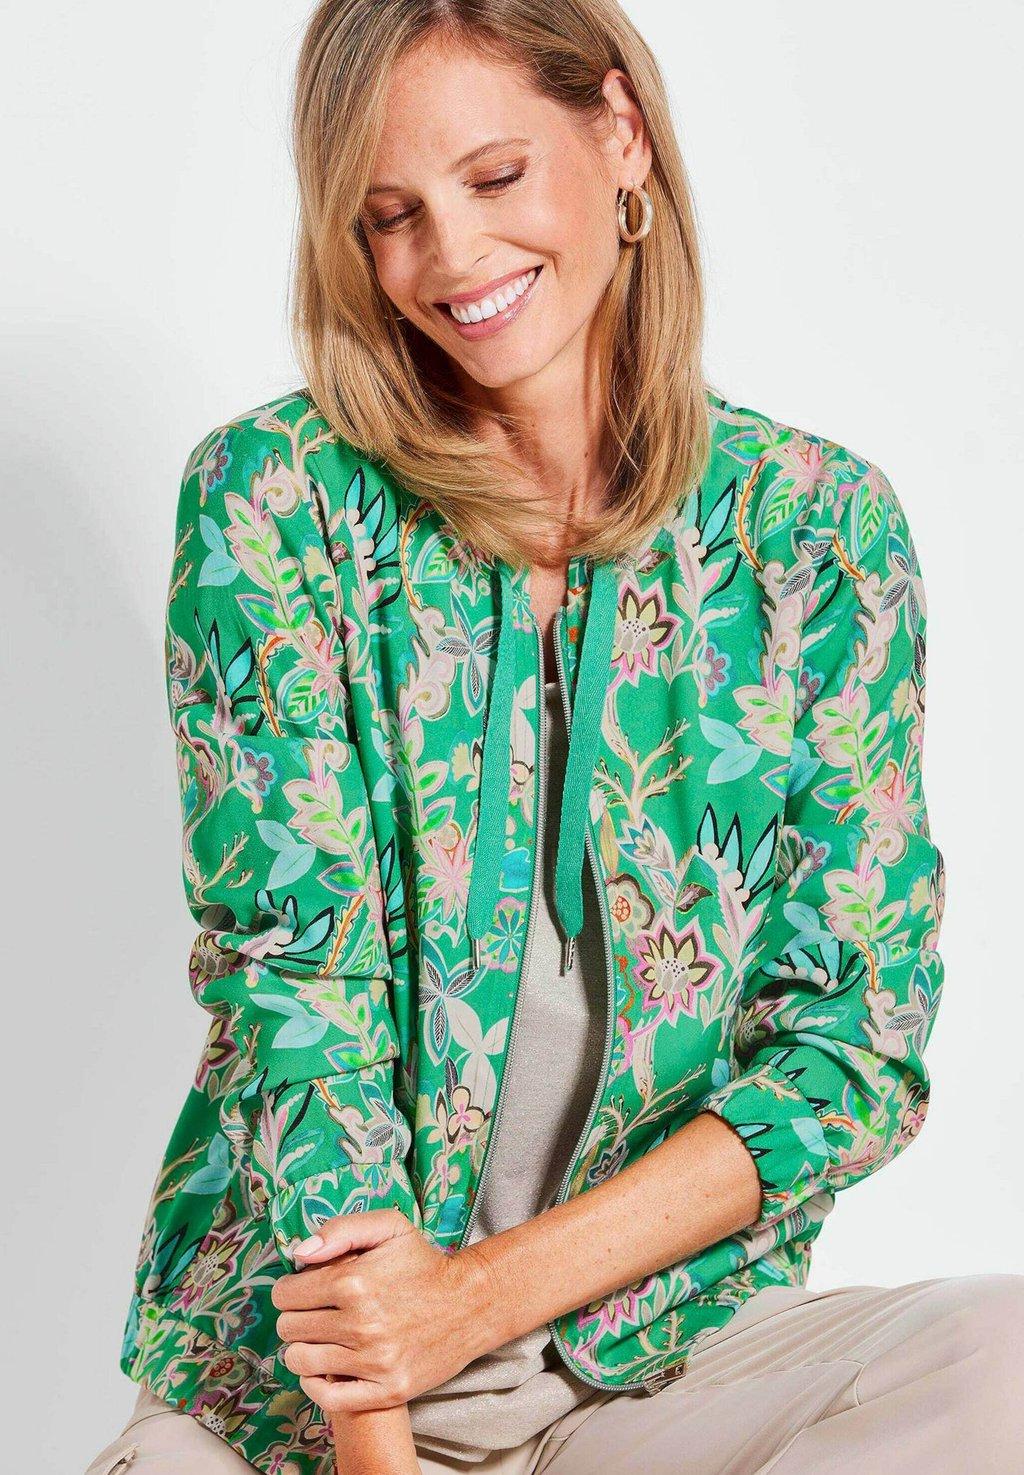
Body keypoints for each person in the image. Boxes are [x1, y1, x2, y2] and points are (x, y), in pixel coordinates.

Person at [85, 3, 1024, 1473]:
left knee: (1004, 1362)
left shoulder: (814, 533)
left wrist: (475, 1301)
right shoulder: (275, 501)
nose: (453, 256)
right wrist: (381, 1438)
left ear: (622, 135)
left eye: (495, 176)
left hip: (652, 1370)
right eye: (391, 215)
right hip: (314, 1405)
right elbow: (297, 1002)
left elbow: (853, 1050)